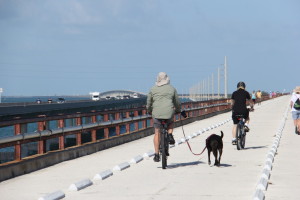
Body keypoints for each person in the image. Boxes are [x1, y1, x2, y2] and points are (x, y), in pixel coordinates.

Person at [146, 72, 181, 162]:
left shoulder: (152, 89)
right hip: (168, 112)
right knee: (171, 122)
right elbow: (177, 102)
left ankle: (157, 154)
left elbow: (149, 102)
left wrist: (149, 110)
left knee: (157, 132)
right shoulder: (172, 89)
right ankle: (170, 134)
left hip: (156, 113)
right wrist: (177, 110)